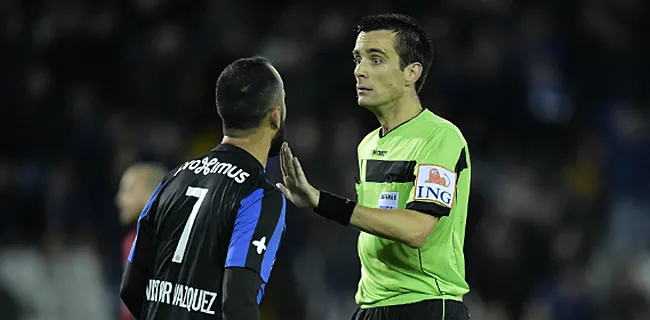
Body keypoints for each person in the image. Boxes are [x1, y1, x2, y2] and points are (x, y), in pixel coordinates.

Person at [276, 13, 471, 320]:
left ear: (412, 73)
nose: (360, 71)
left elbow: (417, 229)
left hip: (425, 305)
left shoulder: (441, 138)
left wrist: (322, 202)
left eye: (376, 59)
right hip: (371, 305)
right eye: (358, 59)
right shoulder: (368, 145)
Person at [120, 55, 288, 320]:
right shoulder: (259, 195)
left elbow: (131, 287)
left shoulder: (172, 179)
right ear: (275, 115)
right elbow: (237, 303)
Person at [116, 163, 167, 320]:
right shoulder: (132, 238)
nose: (119, 199)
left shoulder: (154, 240)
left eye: (128, 190)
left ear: (150, 193)